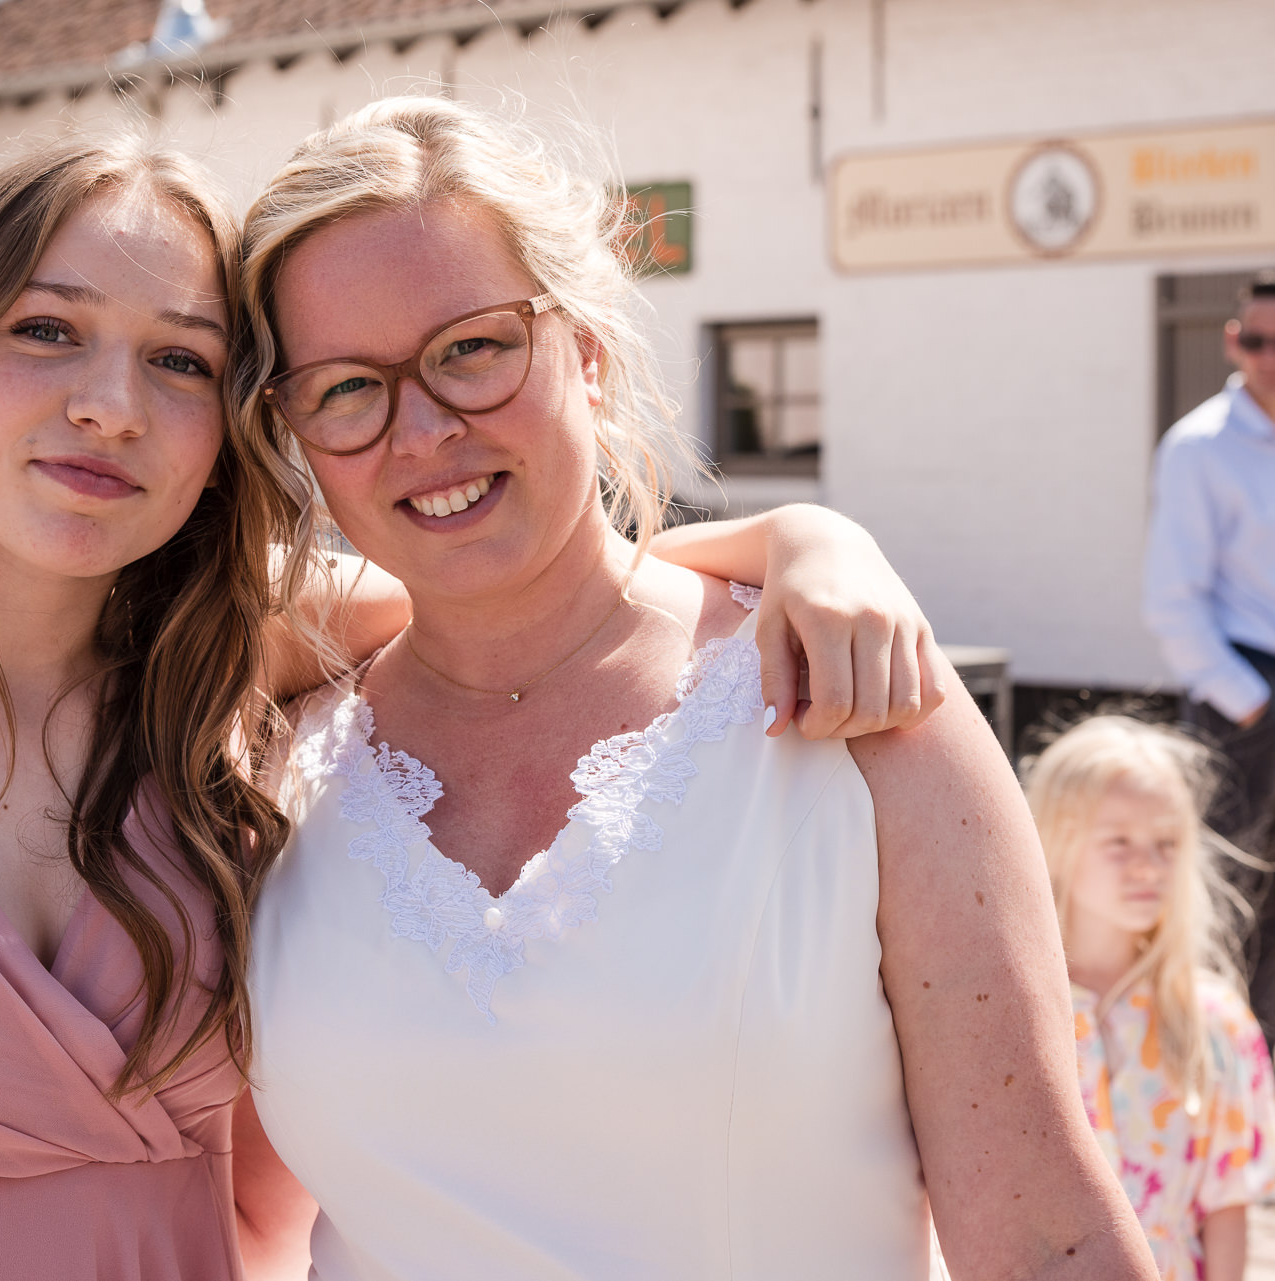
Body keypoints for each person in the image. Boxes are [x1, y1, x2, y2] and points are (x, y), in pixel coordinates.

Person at [0, 133, 937, 1281]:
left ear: (223, 439)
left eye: (181, 361)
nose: (111, 405)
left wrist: (805, 538)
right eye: (49, 331)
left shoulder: (233, 678)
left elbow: (568, 584)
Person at [228, 97, 1156, 1280]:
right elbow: (250, 1224)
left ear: (590, 351)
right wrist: (797, 529)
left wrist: (806, 545)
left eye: (473, 347)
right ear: (292, 431)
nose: (423, 430)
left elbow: (1043, 1235)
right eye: (347, 387)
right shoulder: (266, 756)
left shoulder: (855, 707)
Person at [1026, 716, 1275, 1281]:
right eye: (1118, 841)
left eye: (1166, 843)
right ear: (1055, 840)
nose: (1147, 866)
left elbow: (1226, 1206)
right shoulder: (1016, 1012)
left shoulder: (1212, 1020)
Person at [1144, 268, 1275, 1027]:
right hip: (1248, 696)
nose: (1269, 356)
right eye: (1257, 340)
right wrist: (1252, 705)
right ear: (1234, 341)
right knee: (1236, 896)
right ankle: (1227, 1060)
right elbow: (1171, 602)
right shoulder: (1199, 448)